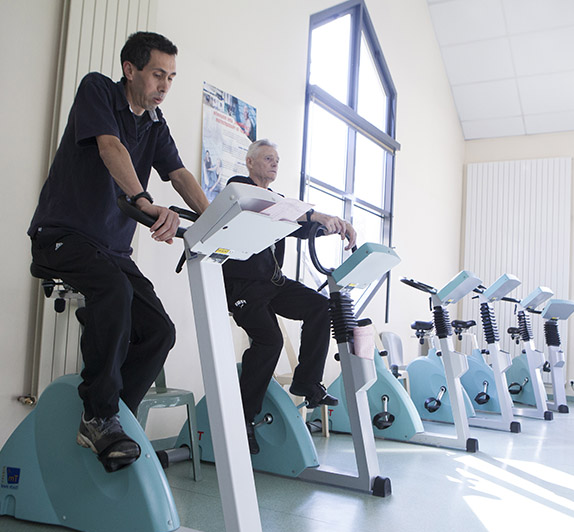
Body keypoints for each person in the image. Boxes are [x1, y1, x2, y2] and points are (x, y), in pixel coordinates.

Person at [27, 32, 209, 472]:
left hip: (111, 249)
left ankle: (115, 419)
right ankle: (98, 414)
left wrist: (215, 222)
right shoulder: (98, 91)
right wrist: (143, 201)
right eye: (157, 74)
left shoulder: (155, 122)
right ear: (131, 70)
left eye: (171, 77)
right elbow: (110, 147)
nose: (164, 85)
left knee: (160, 331)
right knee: (114, 292)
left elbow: (180, 173)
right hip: (63, 236)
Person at [223, 139, 357, 454]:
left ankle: (307, 383)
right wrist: (316, 215)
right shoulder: (239, 188)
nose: (274, 163)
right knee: (270, 341)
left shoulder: (279, 202)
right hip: (242, 285)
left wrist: (335, 226)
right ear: (250, 162)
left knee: (320, 307)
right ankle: (242, 419)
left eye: (277, 160)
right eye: (268, 158)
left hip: (273, 282)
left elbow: (298, 225)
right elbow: (273, 209)